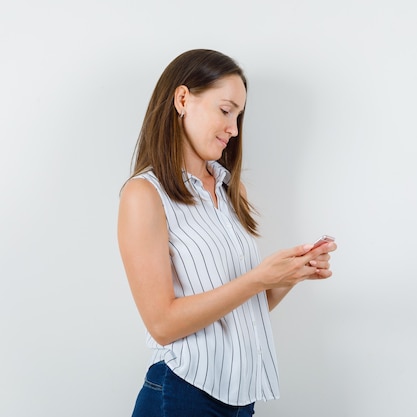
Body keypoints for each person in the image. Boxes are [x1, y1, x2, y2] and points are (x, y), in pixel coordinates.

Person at [117, 49, 337, 417]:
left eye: (238, 116)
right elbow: (162, 324)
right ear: (183, 99)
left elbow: (242, 308)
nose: (234, 129)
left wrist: (289, 275)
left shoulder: (229, 191)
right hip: (182, 393)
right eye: (225, 110)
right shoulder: (144, 195)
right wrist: (256, 279)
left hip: (239, 399)